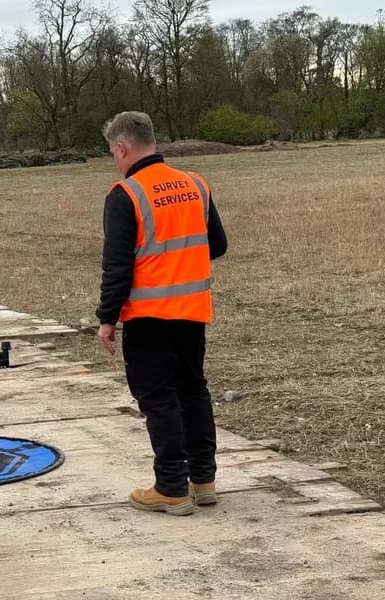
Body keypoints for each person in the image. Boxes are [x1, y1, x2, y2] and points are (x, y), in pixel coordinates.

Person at [96, 111, 228, 516]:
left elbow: (117, 267)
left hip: (149, 317)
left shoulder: (126, 194)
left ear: (122, 148)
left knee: (159, 399)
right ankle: (202, 479)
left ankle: (170, 486)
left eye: (113, 153)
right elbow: (217, 245)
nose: (115, 161)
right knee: (193, 391)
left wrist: (107, 318)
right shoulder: (195, 184)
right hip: (193, 312)